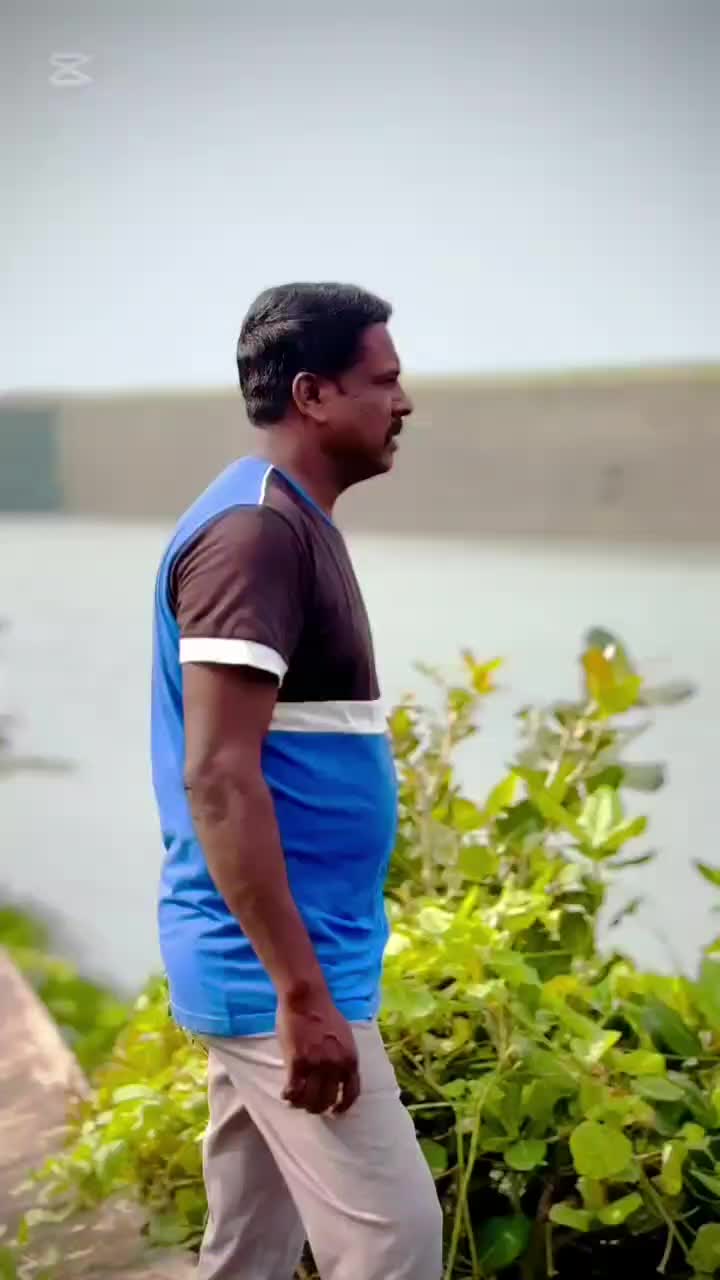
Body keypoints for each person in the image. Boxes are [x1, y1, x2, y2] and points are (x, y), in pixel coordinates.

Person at [150, 283, 443, 1279]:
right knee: (396, 1246)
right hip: (278, 971)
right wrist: (303, 995)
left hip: (286, 962)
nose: (403, 401)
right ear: (313, 394)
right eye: (383, 380)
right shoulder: (254, 535)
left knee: (249, 1251)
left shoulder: (287, 520)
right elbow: (219, 776)